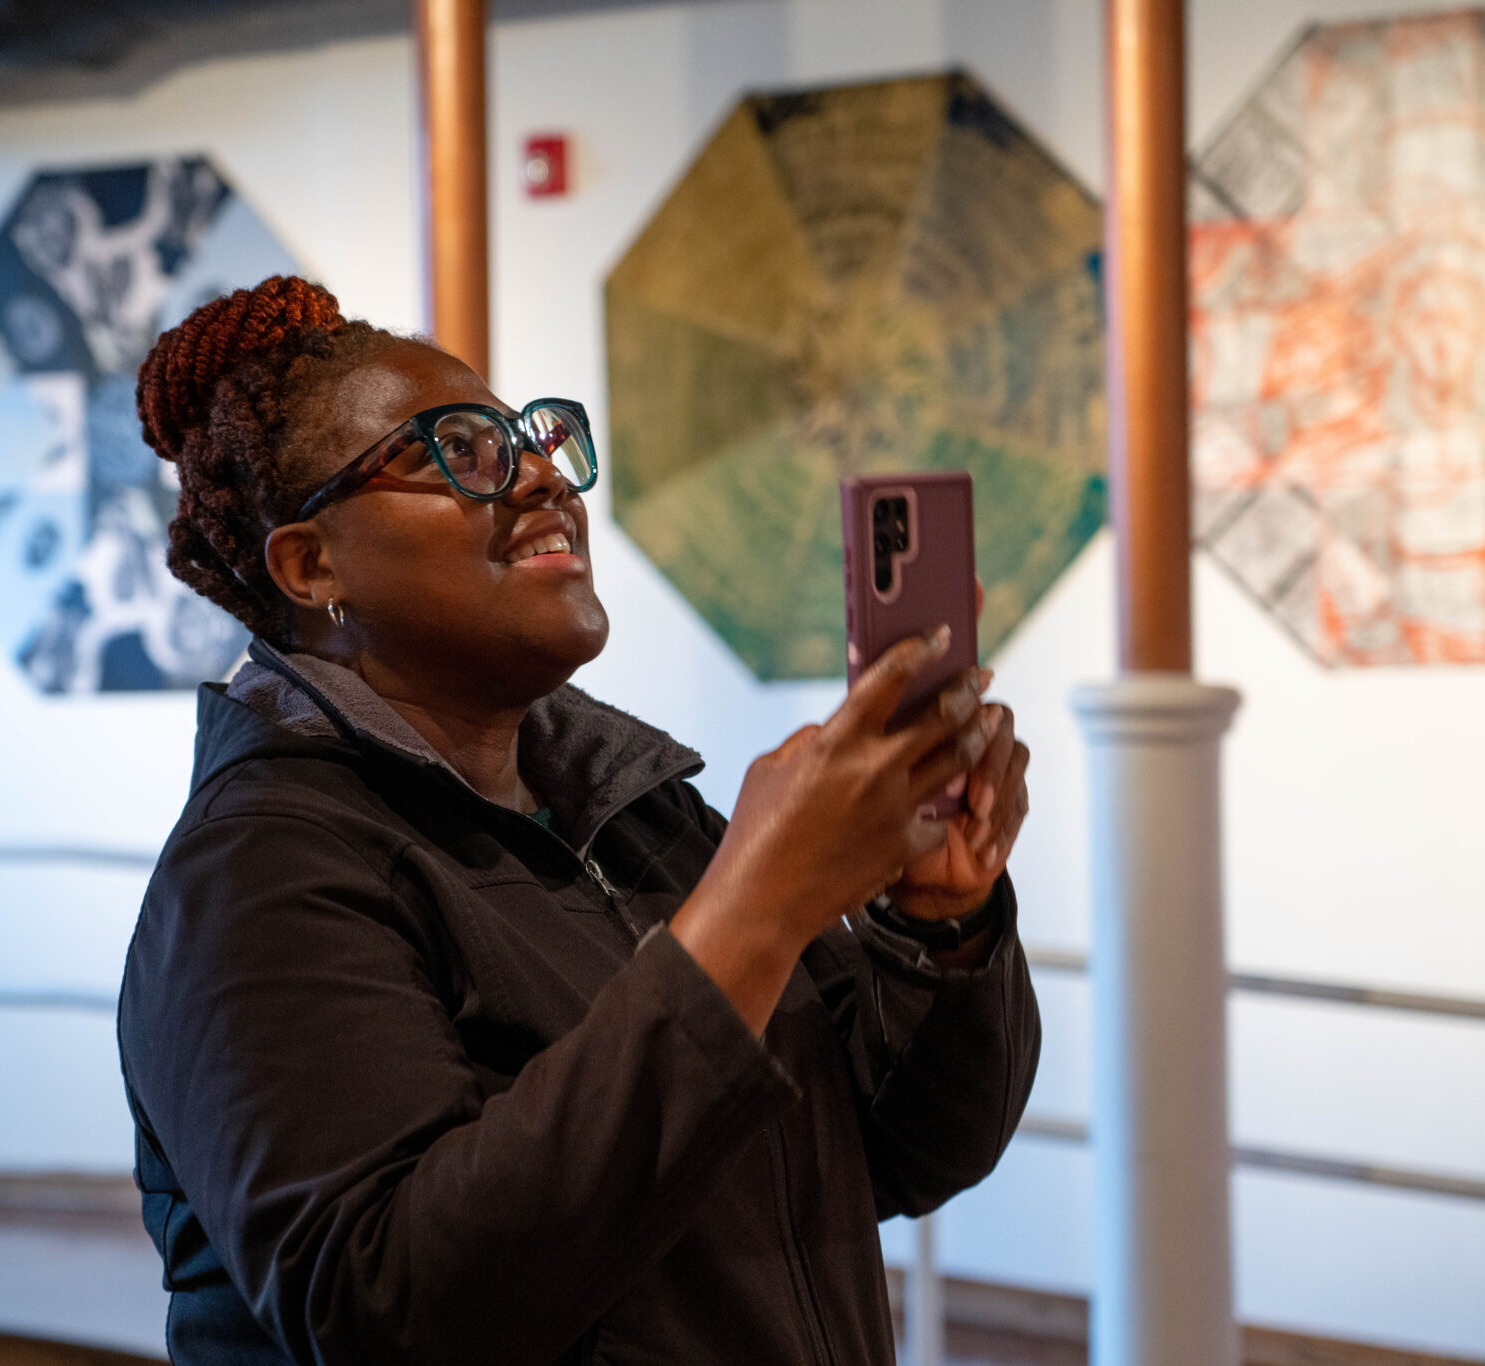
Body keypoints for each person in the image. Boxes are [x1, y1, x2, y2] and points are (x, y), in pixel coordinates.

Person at [118, 276, 1040, 1366]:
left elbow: (902, 1150)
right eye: (458, 452)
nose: (543, 478)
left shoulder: (636, 812)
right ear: (312, 563)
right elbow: (391, 1304)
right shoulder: (260, 875)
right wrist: (752, 910)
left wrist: (937, 928)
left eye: (532, 439)